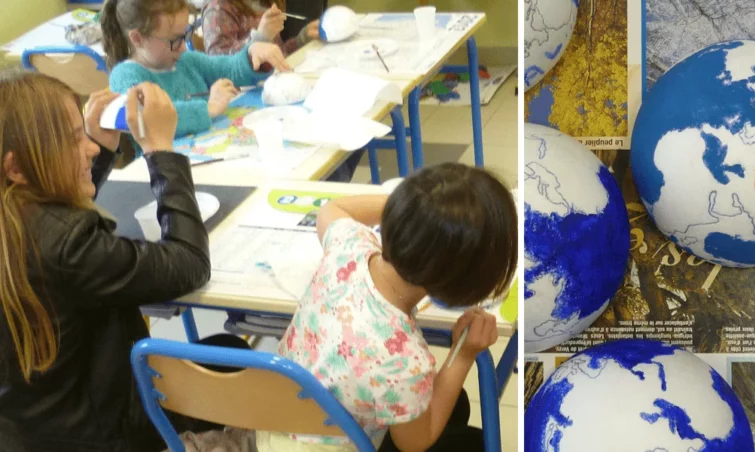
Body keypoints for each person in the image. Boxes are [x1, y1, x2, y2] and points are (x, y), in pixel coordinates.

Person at [0, 71, 246, 452]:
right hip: (103, 433)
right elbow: (190, 262)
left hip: (32, 430)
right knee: (234, 359)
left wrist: (98, 154)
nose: (90, 148)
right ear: (16, 168)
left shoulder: (18, 222)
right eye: (74, 139)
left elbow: (54, 216)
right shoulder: (70, 247)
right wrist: (161, 152)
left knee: (221, 348)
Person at [255, 163, 518, 451]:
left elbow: (331, 209)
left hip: (275, 423)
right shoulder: (404, 360)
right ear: (462, 286)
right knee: (474, 443)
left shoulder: (349, 248)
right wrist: (463, 354)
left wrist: (417, 212)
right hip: (329, 445)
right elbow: (414, 443)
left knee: (454, 403)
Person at [101, 0, 292, 148]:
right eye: (174, 40)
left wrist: (251, 54)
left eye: (185, 35)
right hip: (164, 170)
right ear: (137, 38)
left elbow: (228, 68)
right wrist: (208, 109)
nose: (183, 47)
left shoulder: (186, 60)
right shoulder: (125, 76)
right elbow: (150, 118)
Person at [201, 0, 321, 56]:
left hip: (272, 79)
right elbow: (218, 62)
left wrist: (301, 39)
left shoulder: (265, 2)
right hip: (242, 91)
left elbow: (278, 53)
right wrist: (260, 38)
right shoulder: (217, 7)